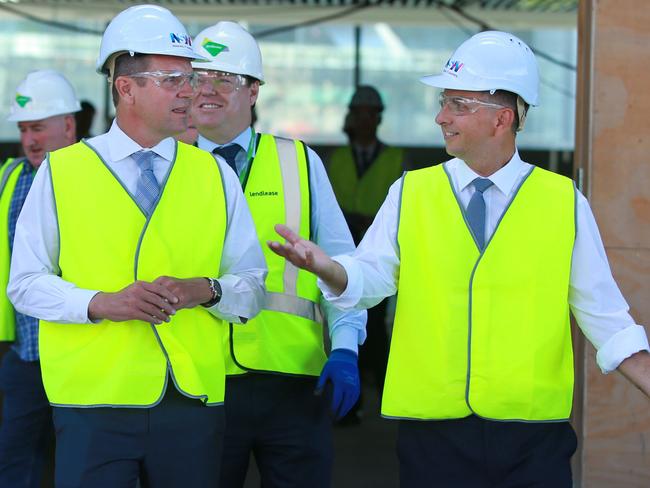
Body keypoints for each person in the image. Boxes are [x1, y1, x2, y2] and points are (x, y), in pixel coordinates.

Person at [268, 31, 650, 487]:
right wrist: (327, 266)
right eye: (443, 101)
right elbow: (369, 277)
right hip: (433, 434)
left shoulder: (562, 202)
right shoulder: (411, 192)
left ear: (502, 118)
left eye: (458, 105)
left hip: (532, 437)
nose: (441, 117)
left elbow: (605, 315)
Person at [7, 5, 266, 488]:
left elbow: (252, 288)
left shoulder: (216, 176)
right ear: (125, 87)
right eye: (172, 79)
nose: (191, 92)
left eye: (191, 78)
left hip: (191, 404)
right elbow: (24, 285)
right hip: (92, 405)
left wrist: (206, 291)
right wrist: (101, 303)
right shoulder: (61, 174)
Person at [191, 21, 366, 488]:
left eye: (224, 78)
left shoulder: (300, 162)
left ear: (253, 91)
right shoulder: (168, 163)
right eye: (197, 77)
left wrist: (346, 348)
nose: (207, 89)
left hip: (293, 383)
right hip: (198, 381)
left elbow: (342, 267)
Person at [0, 69, 80, 488]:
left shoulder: (95, 176)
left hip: (85, 350)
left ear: (68, 124)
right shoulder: (10, 178)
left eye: (39, 128)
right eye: (24, 129)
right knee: (15, 462)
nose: (29, 139)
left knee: (87, 461)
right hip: (25, 353)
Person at [328, 86, 404, 420]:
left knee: (376, 326)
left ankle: (385, 394)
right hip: (345, 247)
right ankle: (352, 402)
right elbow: (330, 204)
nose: (364, 120)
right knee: (347, 318)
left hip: (380, 248)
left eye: (370, 114)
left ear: (379, 118)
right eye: (359, 114)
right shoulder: (337, 159)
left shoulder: (395, 157)